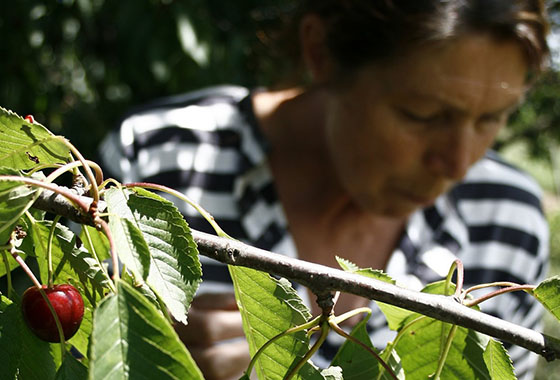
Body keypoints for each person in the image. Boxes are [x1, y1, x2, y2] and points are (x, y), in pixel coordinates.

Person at [99, 1, 551, 379]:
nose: (457, 162)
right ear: (321, 53)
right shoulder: (160, 164)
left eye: (492, 118)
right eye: (422, 115)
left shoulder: (506, 220)